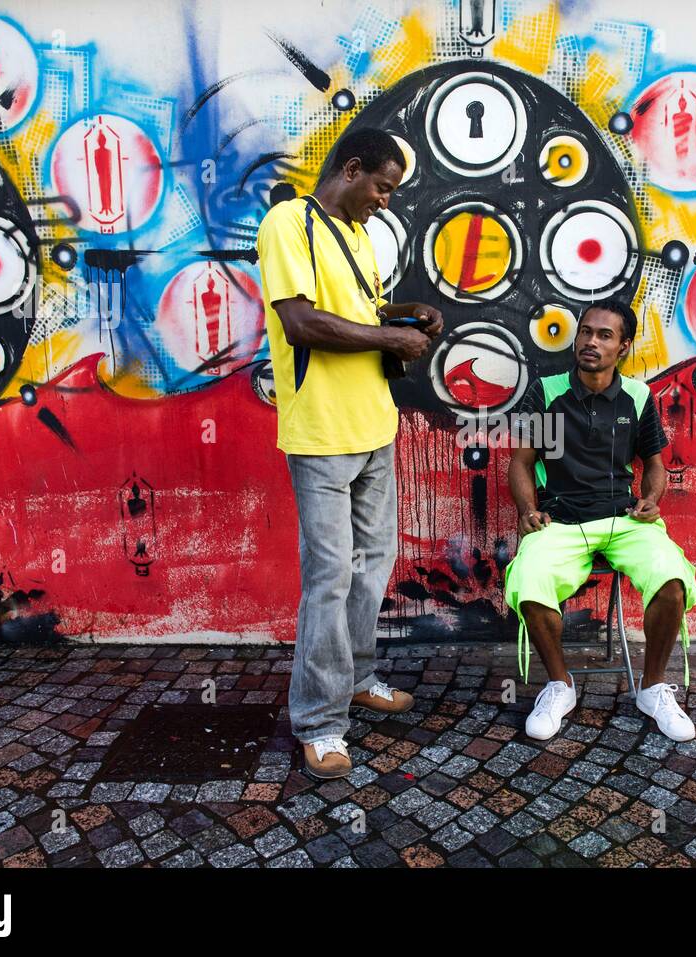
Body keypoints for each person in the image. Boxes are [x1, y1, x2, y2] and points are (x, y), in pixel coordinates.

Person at [256, 128, 444, 779]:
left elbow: (352, 310)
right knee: (329, 579)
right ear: (352, 168)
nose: (385, 202)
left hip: (373, 429)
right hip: (321, 438)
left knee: (371, 568)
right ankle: (319, 721)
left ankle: (358, 676)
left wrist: (403, 311)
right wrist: (387, 335)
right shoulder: (289, 224)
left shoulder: (359, 234)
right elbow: (302, 321)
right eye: (382, 187)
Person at [503, 298, 696, 742]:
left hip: (623, 518)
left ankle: (651, 690)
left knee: (671, 580)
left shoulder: (637, 396)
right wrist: (527, 510)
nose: (591, 342)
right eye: (586, 332)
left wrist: (651, 498)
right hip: (561, 521)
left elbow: (654, 463)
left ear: (623, 346)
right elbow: (522, 461)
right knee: (529, 581)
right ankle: (560, 685)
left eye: (604, 335)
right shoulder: (549, 392)